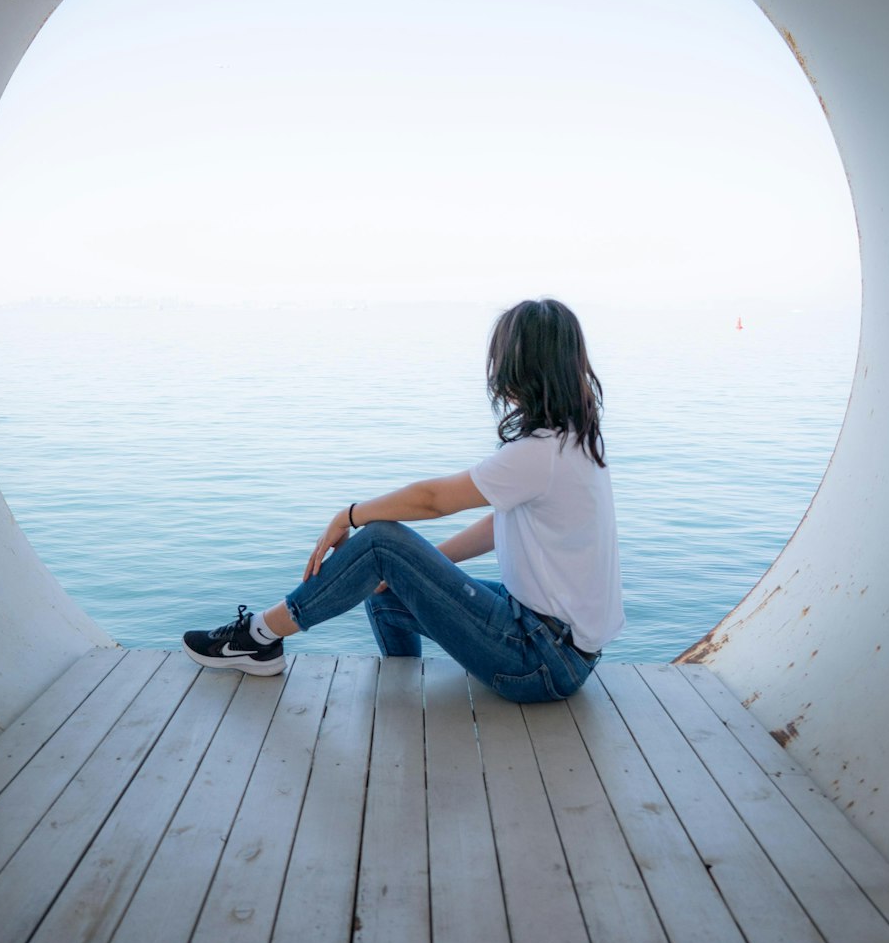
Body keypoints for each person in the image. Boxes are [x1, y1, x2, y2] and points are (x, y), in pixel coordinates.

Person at [182, 298, 624, 703]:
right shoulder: (576, 441)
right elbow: (500, 526)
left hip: (539, 661)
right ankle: (404, 693)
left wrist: (350, 516)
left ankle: (257, 638)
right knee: (385, 591)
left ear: (520, 368)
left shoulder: (541, 451)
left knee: (378, 541)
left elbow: (433, 500)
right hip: (558, 650)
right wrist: (418, 569)